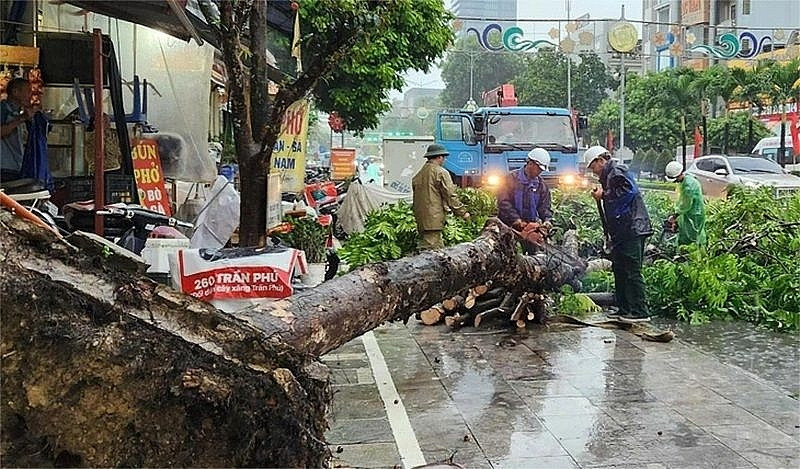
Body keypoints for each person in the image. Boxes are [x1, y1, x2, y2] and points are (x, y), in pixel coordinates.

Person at [586, 145, 653, 324]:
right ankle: (624, 308)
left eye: (594, 167)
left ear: (601, 160)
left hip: (632, 229)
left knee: (631, 271)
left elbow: (628, 192)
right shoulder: (609, 175)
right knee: (620, 269)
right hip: (622, 231)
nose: (593, 172)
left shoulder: (617, 171)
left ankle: (639, 311)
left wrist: (604, 195)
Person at [412, 144, 470, 250]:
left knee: (437, 251)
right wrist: (463, 213)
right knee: (430, 254)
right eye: (444, 158)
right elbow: (450, 195)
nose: (444, 160)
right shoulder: (441, 172)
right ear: (439, 157)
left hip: (421, 219)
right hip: (433, 220)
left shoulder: (419, 173)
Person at [498, 148, 553, 249]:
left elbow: (544, 207)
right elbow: (504, 202)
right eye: (539, 169)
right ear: (530, 163)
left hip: (530, 228)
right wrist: (516, 220)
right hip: (509, 226)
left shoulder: (541, 185)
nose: (539, 172)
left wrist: (547, 220)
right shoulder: (510, 179)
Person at [665, 161, 706, 246]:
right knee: (688, 234)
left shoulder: (688, 187)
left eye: (675, 179)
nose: (675, 182)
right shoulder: (687, 179)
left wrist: (675, 215)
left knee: (692, 237)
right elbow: (682, 200)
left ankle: (691, 255)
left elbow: (685, 205)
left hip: (694, 215)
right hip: (690, 213)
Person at [1, 78, 34, 182]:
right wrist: (21, 119)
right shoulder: (3, 109)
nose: (30, 95)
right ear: (15, 92)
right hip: (3, 168)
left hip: (16, 166)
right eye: (28, 91)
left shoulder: (19, 111)